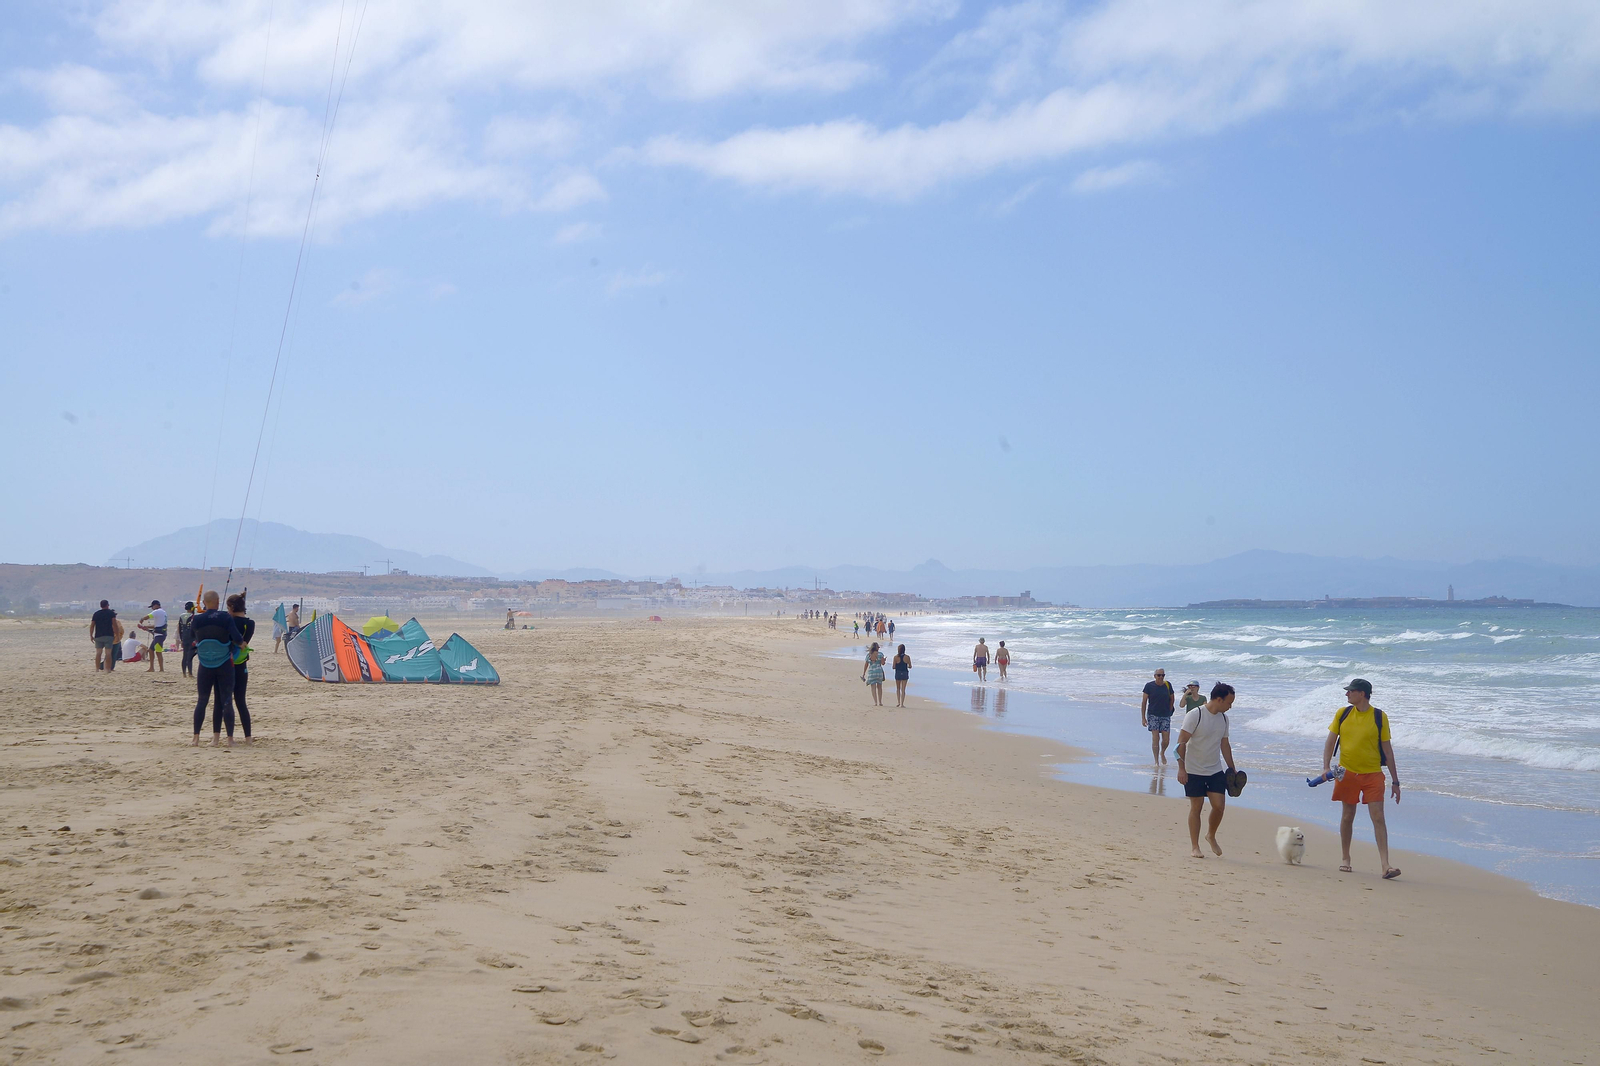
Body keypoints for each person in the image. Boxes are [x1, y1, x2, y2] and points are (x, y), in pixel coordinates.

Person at [1321, 678, 1402, 879]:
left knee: (1378, 817)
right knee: (1348, 815)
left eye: (1351, 691)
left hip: (1373, 774)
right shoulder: (1343, 713)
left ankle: (1385, 865)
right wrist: (1325, 767)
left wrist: (1395, 781)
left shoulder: (1379, 717)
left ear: (1362, 694)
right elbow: (1330, 742)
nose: (1347, 694)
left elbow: (1388, 751)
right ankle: (1345, 859)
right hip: (1346, 772)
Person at [1176, 682, 1237, 859]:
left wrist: (1232, 769)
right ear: (1219, 699)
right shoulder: (1195, 715)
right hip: (1193, 769)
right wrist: (1181, 769)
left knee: (1219, 806)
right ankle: (1195, 847)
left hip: (1215, 769)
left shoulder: (1224, 719)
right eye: (1228, 703)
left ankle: (1210, 835)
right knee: (1197, 807)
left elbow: (1225, 745)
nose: (1230, 707)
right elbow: (1181, 742)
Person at [190, 590, 244, 747]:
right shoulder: (226, 617)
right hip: (224, 663)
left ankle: (195, 738)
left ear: (204, 603)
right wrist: (241, 644)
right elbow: (237, 638)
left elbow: (193, 638)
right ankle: (230, 739)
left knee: (202, 700)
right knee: (226, 700)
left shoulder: (197, 619)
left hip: (205, 663)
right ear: (218, 601)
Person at [228, 593, 255, 743]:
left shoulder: (229, 621)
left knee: (225, 701)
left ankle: (228, 738)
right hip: (242, 663)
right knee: (241, 702)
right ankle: (248, 738)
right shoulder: (250, 623)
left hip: (227, 663)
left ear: (231, 607)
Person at [1140, 669, 1176, 764]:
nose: (1161, 677)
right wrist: (1143, 718)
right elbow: (1144, 702)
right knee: (1155, 738)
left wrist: (1169, 709)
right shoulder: (1149, 686)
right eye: (1159, 675)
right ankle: (1156, 761)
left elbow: (1172, 698)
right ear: (1154, 676)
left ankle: (1162, 753)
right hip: (1153, 714)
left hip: (1165, 715)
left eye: (1163, 675)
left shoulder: (1168, 685)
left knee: (1166, 739)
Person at [90, 600, 118, 672]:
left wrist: (91, 635)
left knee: (98, 653)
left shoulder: (96, 614)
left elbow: (92, 625)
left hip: (98, 635)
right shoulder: (111, 613)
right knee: (108, 653)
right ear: (107, 605)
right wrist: (117, 634)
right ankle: (107, 669)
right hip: (109, 635)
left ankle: (97, 669)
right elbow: (114, 624)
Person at [139, 600, 167, 673]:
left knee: (158, 651)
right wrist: (146, 627)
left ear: (156, 605)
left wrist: (142, 619)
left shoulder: (157, 611)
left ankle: (160, 669)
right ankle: (152, 667)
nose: (152, 609)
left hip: (159, 635)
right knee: (151, 650)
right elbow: (156, 626)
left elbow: (147, 617)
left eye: (152, 607)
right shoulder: (163, 612)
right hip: (160, 635)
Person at [861, 641, 886, 707]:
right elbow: (883, 663)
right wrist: (884, 660)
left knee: (873, 688)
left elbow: (866, 665)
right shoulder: (880, 654)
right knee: (879, 687)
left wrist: (863, 674)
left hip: (872, 672)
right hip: (879, 671)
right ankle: (880, 702)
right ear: (877, 648)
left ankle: (875, 702)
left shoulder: (869, 655)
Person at [178, 601, 198, 677]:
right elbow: (195, 629)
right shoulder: (193, 616)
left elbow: (180, 628)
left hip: (184, 637)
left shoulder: (181, 616)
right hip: (191, 637)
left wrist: (181, 639)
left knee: (185, 655)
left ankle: (184, 673)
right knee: (190, 656)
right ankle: (190, 673)